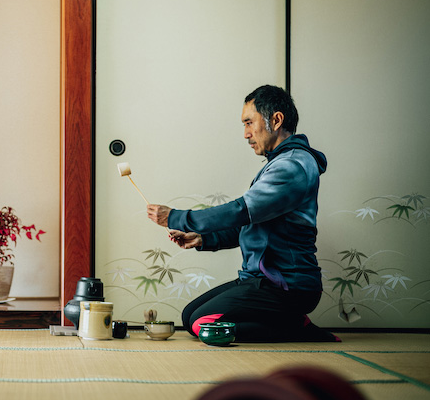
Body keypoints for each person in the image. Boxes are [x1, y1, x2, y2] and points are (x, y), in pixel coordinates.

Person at [145, 85, 339, 342]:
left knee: (204, 325)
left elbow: (240, 211)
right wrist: (203, 238)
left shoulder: (292, 165)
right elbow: (252, 225)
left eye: (250, 122)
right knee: (190, 315)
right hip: (261, 280)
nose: (246, 134)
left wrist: (176, 217)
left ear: (276, 120)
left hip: (287, 286)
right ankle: (291, 321)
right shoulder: (281, 163)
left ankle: (295, 327)